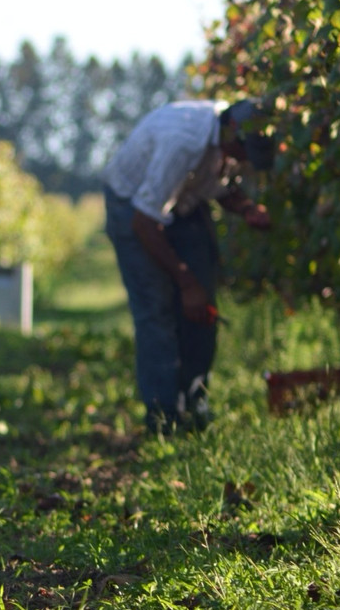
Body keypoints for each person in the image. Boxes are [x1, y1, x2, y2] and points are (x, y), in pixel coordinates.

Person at [101, 99, 274, 434]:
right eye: (241, 152)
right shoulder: (182, 143)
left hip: (183, 202)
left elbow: (213, 184)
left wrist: (246, 208)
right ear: (230, 133)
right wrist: (186, 283)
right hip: (132, 207)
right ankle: (163, 418)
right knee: (156, 309)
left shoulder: (230, 132)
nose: (242, 161)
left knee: (202, 308)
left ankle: (195, 407)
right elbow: (145, 222)